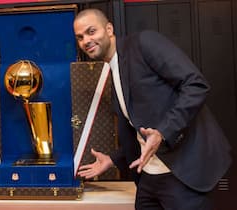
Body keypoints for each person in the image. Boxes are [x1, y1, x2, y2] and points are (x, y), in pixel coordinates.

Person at [73, 8, 231, 210]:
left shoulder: (143, 43)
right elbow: (142, 126)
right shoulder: (113, 69)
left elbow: (196, 85)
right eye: (80, 37)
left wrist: (164, 132)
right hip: (149, 177)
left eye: (91, 31)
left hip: (182, 174)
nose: (86, 40)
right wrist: (113, 159)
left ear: (109, 29)